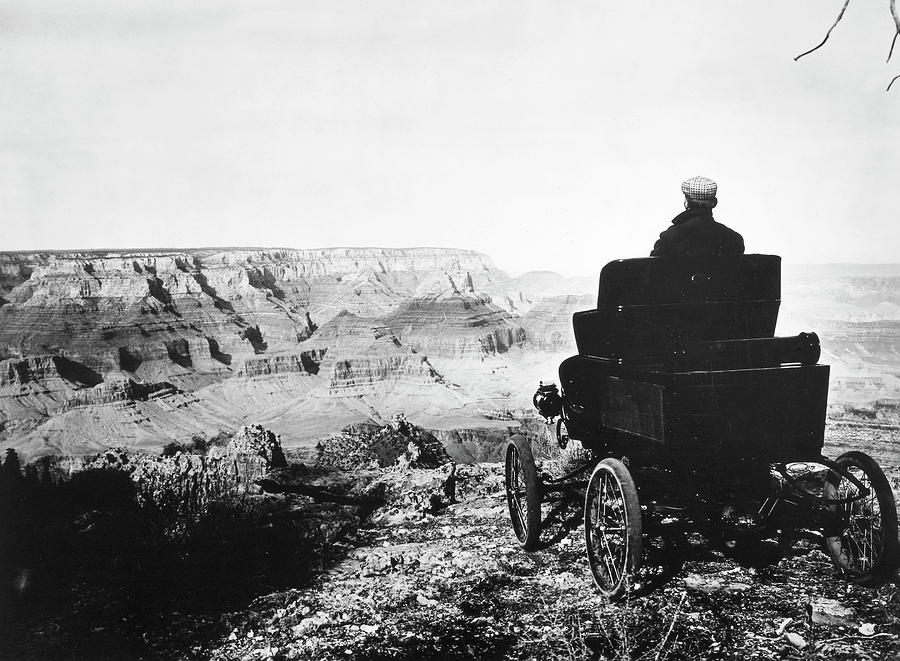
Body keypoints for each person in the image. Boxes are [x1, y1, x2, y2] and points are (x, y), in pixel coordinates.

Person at [650, 176, 745, 257]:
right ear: (714, 203)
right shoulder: (734, 238)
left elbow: (652, 270)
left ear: (686, 203)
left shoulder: (669, 237)